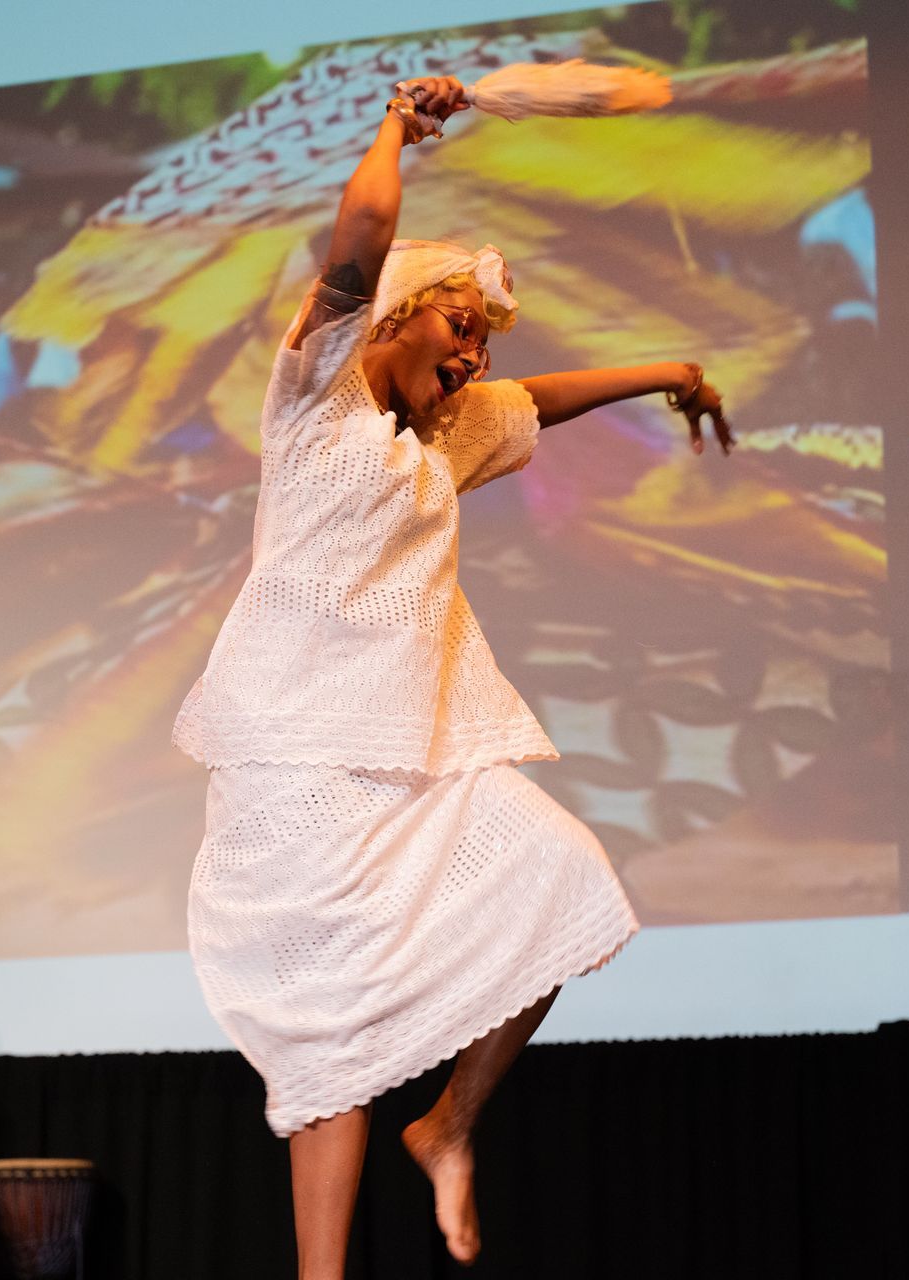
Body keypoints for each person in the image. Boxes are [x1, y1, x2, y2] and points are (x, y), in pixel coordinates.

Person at [171, 76, 734, 1271]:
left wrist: (670, 370)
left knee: (569, 882)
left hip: (418, 751)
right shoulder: (316, 400)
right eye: (458, 326)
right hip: (296, 762)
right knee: (326, 1036)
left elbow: (545, 402)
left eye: (483, 336)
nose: (475, 355)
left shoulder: (445, 438)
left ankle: (447, 1127)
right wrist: (394, 130)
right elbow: (359, 240)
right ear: (393, 321)